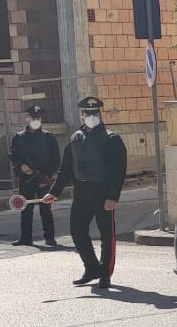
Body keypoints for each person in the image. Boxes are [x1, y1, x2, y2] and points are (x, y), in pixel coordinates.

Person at [42, 97, 127, 289]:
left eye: (94, 113)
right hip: (81, 191)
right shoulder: (75, 138)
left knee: (107, 235)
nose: (91, 116)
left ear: (101, 114)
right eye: (87, 113)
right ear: (81, 115)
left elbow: (118, 170)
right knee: (77, 230)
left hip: (102, 191)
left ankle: (105, 274)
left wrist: (113, 196)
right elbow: (66, 169)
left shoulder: (111, 139)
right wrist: (54, 192)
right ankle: (91, 268)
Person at [8, 105, 61, 247]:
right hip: (26, 179)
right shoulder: (19, 137)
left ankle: (49, 237)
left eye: (38, 118)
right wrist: (21, 166)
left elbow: (56, 159)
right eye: (33, 118)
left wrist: (46, 176)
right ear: (27, 119)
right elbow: (12, 154)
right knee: (26, 208)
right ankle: (25, 238)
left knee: (45, 209)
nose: (35, 120)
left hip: (43, 178)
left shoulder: (48, 137)